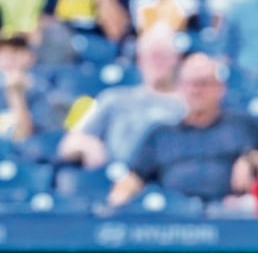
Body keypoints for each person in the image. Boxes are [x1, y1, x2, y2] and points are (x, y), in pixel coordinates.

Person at [106, 52, 258, 207]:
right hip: (173, 219)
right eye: (191, 84)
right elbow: (134, 177)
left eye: (204, 83)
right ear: (179, 89)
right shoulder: (160, 135)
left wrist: (250, 159)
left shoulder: (242, 125)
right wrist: (118, 199)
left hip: (232, 216)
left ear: (220, 88)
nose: (197, 90)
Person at [58, 23, 185, 168]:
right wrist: (88, 145)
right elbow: (69, 143)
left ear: (177, 59)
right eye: (151, 55)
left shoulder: (190, 104)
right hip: (116, 175)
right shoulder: (113, 99)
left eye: (163, 55)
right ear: (139, 60)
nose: (157, 62)